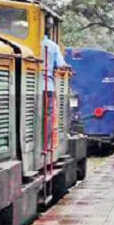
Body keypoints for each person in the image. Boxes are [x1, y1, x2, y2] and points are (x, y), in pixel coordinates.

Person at [41, 18, 67, 148]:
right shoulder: (52, 46)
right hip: (47, 86)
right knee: (48, 114)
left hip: (28, 89)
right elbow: (61, 66)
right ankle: (46, 144)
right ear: (50, 29)